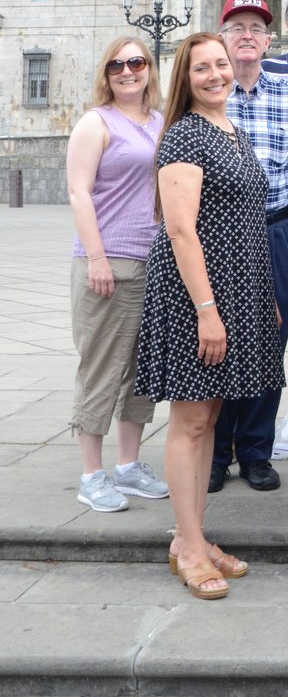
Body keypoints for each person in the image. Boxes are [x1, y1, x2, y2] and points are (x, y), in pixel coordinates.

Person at [135, 33, 283, 600]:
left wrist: (259, 293)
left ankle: (190, 538)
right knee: (191, 422)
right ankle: (191, 547)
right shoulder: (184, 137)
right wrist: (207, 311)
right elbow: (180, 230)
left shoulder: (231, 131)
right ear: (185, 78)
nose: (217, 74)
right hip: (195, 298)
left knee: (209, 419)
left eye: (222, 64)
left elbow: (247, 221)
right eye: (203, 68)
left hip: (236, 294)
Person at [209, 0, 288, 493]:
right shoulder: (206, 97)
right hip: (220, 233)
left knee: (268, 342)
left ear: (270, 40)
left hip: (277, 228)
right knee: (218, 339)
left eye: (255, 27)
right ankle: (214, 451)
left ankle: (255, 451)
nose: (246, 34)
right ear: (222, 38)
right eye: (236, 27)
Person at [66, 37, 168, 513]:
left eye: (136, 62)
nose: (127, 71)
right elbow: (78, 193)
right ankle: (92, 473)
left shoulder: (160, 121)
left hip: (154, 261)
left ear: (149, 67)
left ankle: (128, 465)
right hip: (109, 262)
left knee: (141, 372)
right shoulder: (96, 122)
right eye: (116, 65)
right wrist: (97, 258)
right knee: (102, 367)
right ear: (105, 74)